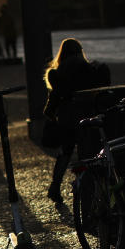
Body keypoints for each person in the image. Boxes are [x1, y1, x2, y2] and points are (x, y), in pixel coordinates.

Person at [43, 38, 109, 203]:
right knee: (88, 153)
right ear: (80, 52)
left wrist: (54, 116)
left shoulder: (56, 74)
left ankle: (55, 187)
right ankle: (90, 189)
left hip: (66, 119)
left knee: (65, 153)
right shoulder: (88, 69)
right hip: (85, 117)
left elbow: (50, 107)